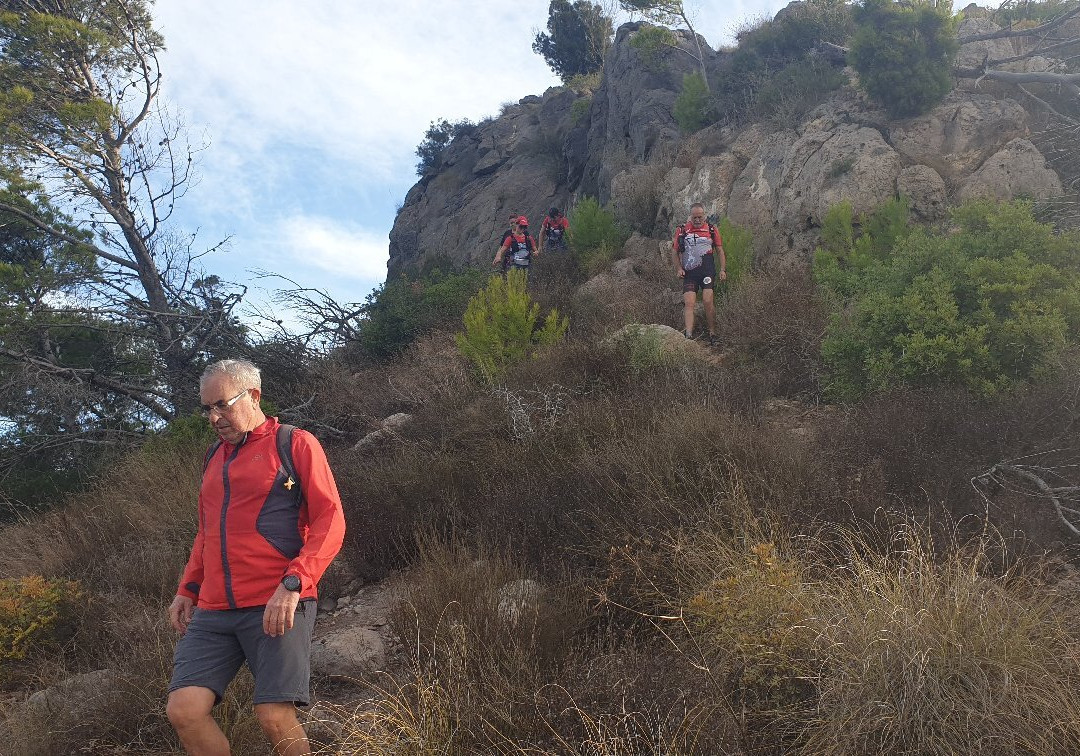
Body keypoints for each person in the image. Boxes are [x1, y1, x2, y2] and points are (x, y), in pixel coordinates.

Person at [166, 358, 346, 756]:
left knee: (273, 714)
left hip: (277, 600)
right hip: (214, 609)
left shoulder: (294, 443)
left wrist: (295, 581)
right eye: (206, 409)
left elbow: (330, 520)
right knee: (185, 710)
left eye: (222, 405)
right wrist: (188, 588)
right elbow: (207, 532)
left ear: (253, 396)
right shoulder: (214, 457)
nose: (213, 417)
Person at [672, 203, 726, 345]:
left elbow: (720, 251)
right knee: (689, 302)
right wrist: (678, 268)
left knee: (708, 301)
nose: (697, 220)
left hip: (707, 272)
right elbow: (674, 252)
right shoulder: (682, 230)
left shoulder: (712, 229)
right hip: (690, 274)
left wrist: (722, 270)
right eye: (694, 217)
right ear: (690, 216)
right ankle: (688, 336)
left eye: (700, 217)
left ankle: (713, 333)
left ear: (704, 216)